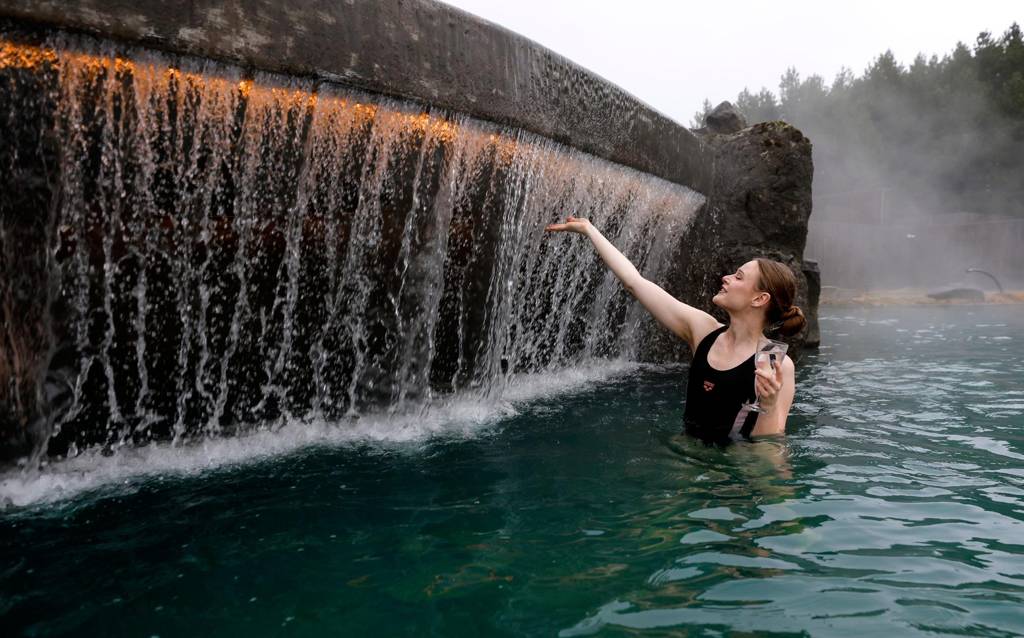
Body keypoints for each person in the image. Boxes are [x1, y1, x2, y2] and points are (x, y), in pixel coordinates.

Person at [544, 216, 806, 442]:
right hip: (687, 457)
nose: (725, 278)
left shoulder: (774, 362)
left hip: (731, 478)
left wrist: (769, 405)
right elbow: (635, 283)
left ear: (760, 299)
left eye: (738, 277)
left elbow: (770, 454)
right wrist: (590, 230)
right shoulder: (703, 330)